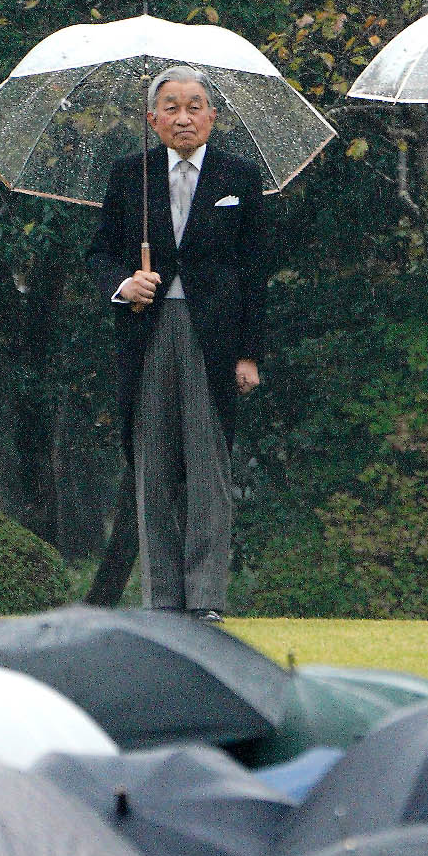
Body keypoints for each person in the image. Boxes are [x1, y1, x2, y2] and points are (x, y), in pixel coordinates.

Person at [87, 64, 268, 623]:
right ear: (152, 118)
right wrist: (124, 284)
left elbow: (256, 270)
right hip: (147, 333)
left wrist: (250, 353)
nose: (183, 117)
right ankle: (161, 599)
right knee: (153, 461)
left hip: (214, 338)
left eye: (195, 107)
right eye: (171, 107)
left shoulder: (239, 177)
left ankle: (206, 597)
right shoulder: (129, 176)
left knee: (208, 461)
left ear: (213, 117)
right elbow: (98, 255)